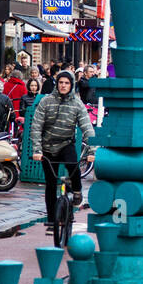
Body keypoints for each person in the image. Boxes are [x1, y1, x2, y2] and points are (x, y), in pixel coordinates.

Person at [30, 70, 96, 212]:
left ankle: (77, 191)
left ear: (71, 85)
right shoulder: (46, 101)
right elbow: (36, 127)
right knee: (51, 184)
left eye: (67, 83)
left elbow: (87, 128)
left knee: (73, 167)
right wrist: (37, 150)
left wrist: (92, 151)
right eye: (61, 82)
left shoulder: (77, 104)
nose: (63, 86)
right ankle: (51, 219)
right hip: (47, 146)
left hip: (66, 143)